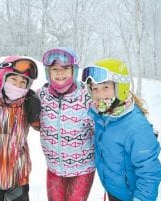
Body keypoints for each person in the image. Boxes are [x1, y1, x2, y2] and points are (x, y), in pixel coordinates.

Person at [81, 58, 161, 201]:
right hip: (113, 189)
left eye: (105, 87)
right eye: (94, 89)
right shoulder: (103, 116)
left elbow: (150, 172)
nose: (99, 94)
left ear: (121, 88)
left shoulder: (136, 127)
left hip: (130, 195)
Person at [37, 47, 95, 201]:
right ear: (48, 72)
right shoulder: (41, 96)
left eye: (65, 68)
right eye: (54, 69)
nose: (59, 73)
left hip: (83, 168)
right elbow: (29, 117)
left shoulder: (87, 96)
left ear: (74, 71)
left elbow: (105, 121)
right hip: (54, 168)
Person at [0, 56, 41, 201]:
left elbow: (43, 128)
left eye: (23, 82)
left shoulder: (27, 103)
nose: (18, 86)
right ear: (2, 77)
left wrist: (36, 114)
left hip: (18, 176)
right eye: (14, 79)